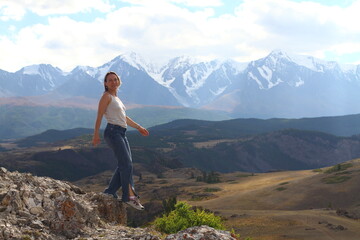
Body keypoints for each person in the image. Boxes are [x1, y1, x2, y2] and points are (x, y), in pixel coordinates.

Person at [92, 71, 149, 210]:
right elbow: (99, 115)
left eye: (115, 79)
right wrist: (95, 134)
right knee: (127, 165)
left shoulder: (116, 98)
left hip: (121, 133)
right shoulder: (106, 97)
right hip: (113, 132)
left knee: (125, 164)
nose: (113, 82)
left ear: (119, 81)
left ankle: (110, 192)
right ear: (105, 83)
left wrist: (138, 127)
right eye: (109, 80)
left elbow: (124, 117)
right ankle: (129, 197)